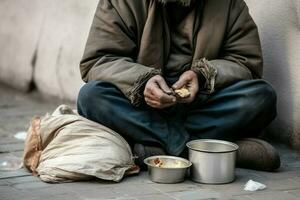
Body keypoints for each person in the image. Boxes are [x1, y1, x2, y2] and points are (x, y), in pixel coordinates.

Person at [77, 0, 280, 171]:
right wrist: (142, 81)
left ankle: (156, 150)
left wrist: (202, 75)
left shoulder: (228, 4)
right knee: (91, 96)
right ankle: (208, 151)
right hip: (142, 108)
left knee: (261, 96)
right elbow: (99, 60)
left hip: (202, 105)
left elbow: (245, 62)